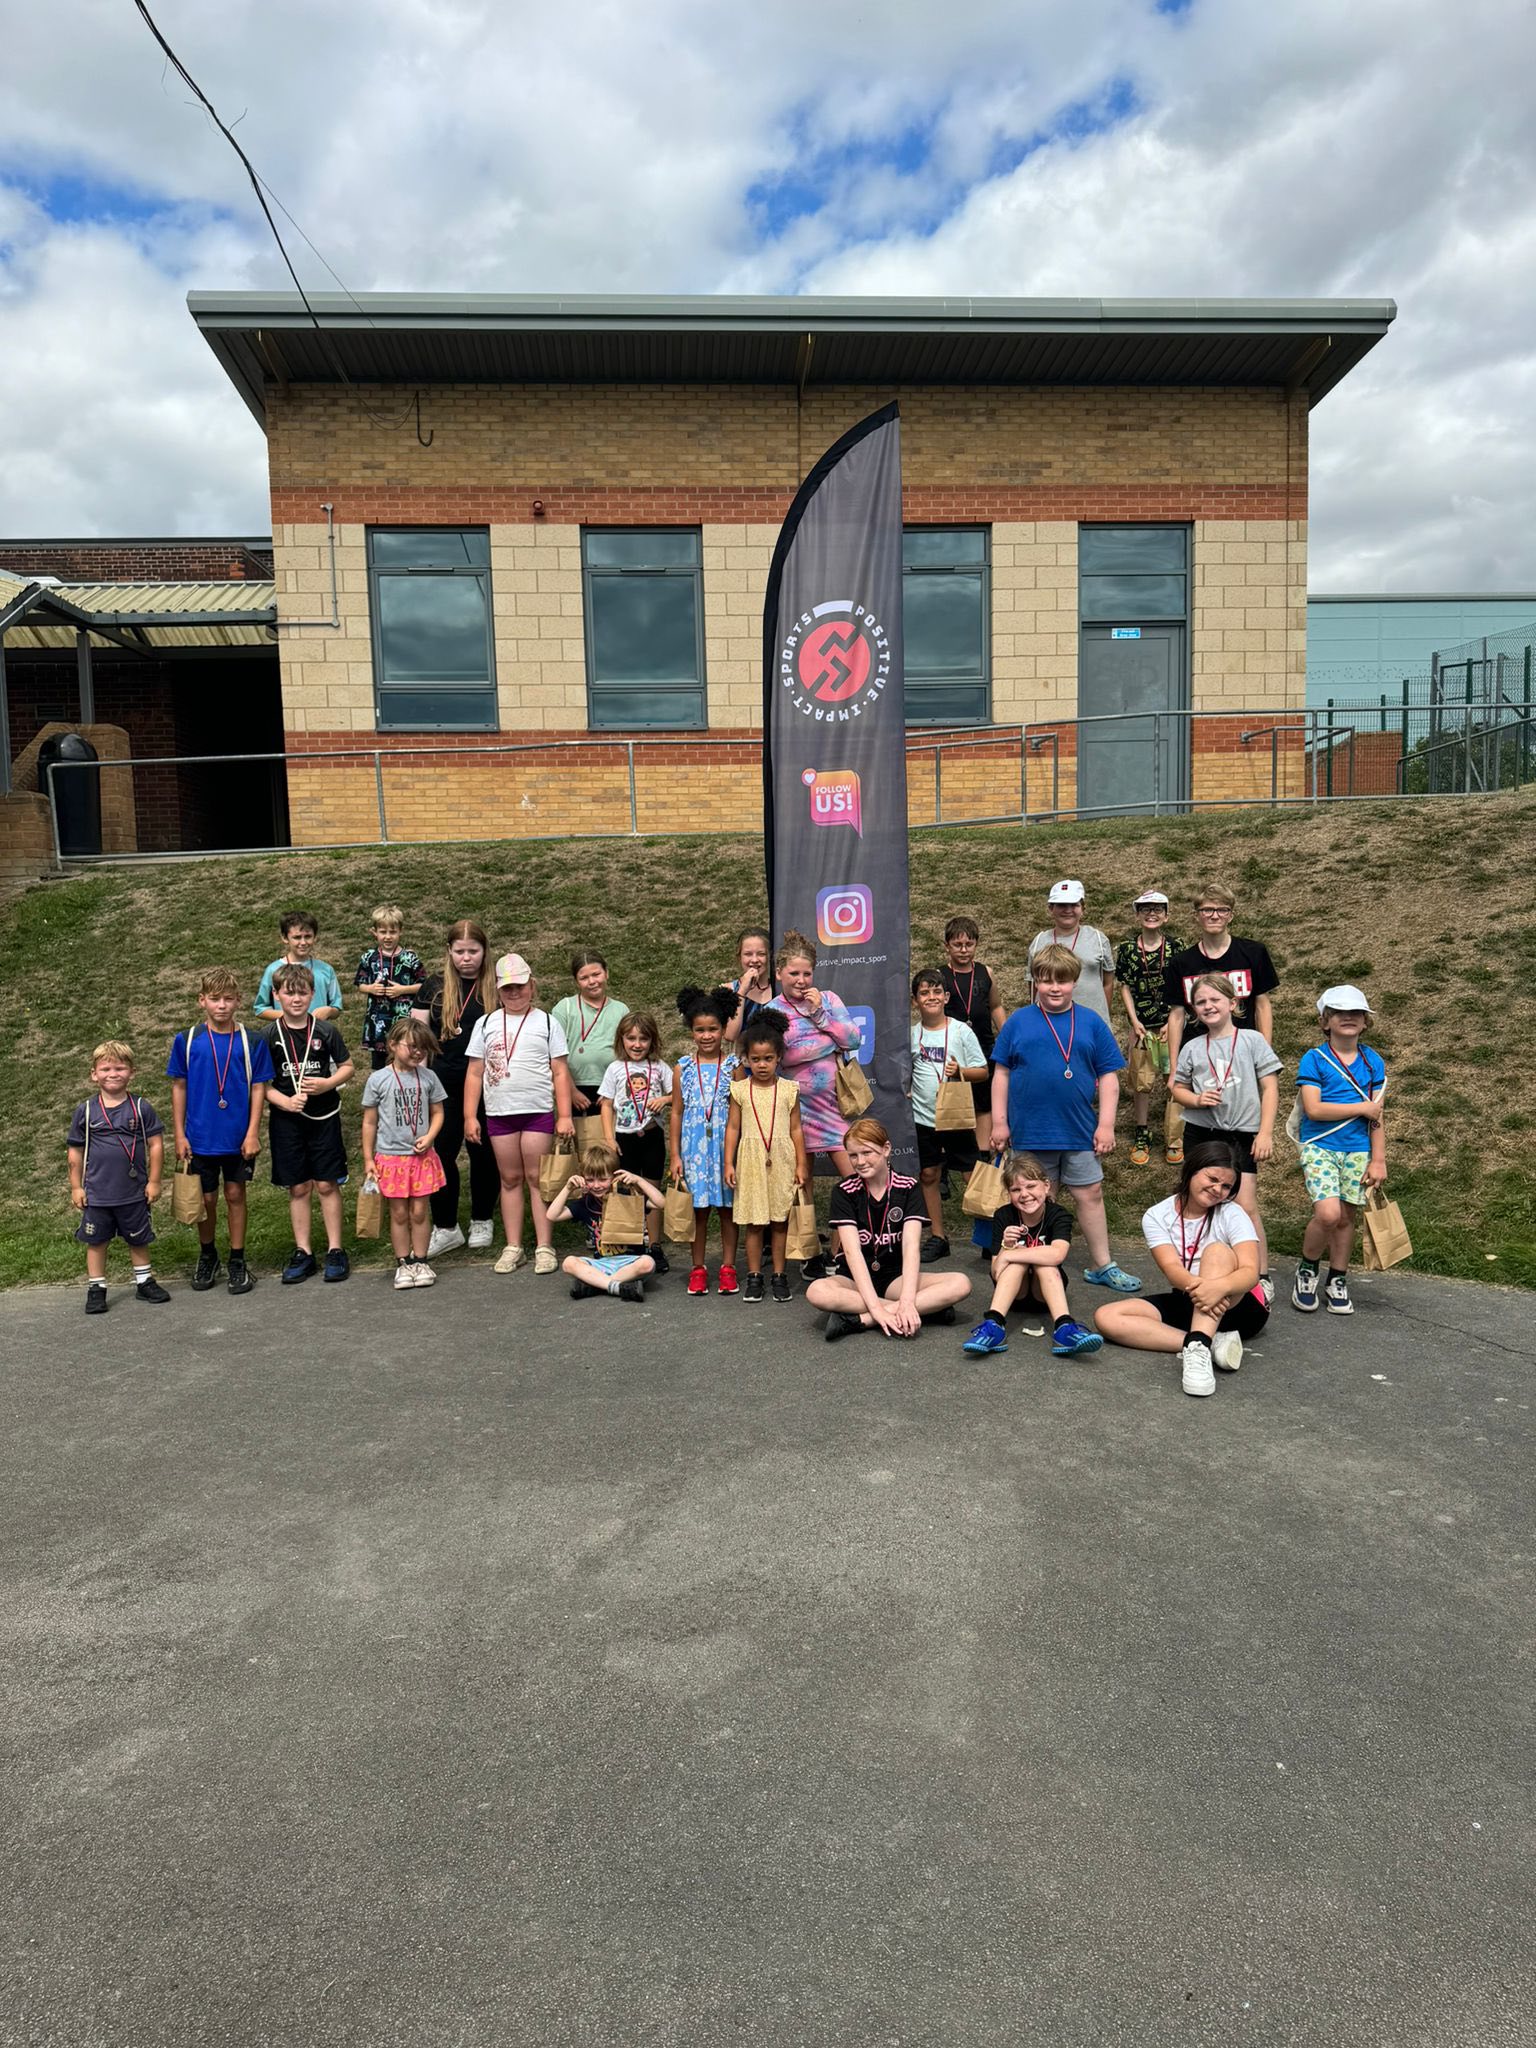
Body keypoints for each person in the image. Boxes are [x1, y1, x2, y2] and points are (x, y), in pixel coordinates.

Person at [990, 944, 1141, 1294]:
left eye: (1062, 981)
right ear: (1035, 983)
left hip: (1079, 1131)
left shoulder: (1092, 1023)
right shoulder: (1018, 1022)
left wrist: (1105, 1125)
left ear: (1074, 981)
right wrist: (999, 1123)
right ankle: (1034, 1266)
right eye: (1045, 981)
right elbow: (1001, 1073)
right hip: (1031, 1131)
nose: (1054, 988)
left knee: (1090, 1193)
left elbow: (1108, 1077)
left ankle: (1102, 1264)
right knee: (1036, 1199)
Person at [1093, 1140, 1267, 1398]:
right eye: (1212, 1178)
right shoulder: (1156, 1215)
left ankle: (1197, 1357)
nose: (1217, 1189)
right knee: (1107, 1317)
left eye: (1226, 1186)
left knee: (1217, 1251)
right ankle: (1206, 1342)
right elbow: (1172, 1269)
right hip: (1191, 1296)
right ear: (1192, 1169)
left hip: (1240, 1304)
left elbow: (1251, 1272)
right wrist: (1202, 1290)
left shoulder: (1232, 1212)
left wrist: (1216, 1287)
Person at [805, 1118, 972, 1341]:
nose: (860, 1161)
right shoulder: (843, 1191)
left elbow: (911, 1248)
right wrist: (878, 1307)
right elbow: (852, 1253)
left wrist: (904, 1300)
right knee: (816, 1292)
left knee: (960, 1283)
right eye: (853, 1155)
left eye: (867, 1152)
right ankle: (924, 1309)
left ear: (886, 1149)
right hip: (854, 1278)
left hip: (895, 1278)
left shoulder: (908, 1187)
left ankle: (858, 1320)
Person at [1171, 973, 1282, 1305]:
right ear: (1194, 1009)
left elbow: (1271, 1088)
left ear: (1233, 1004)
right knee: (1201, 1202)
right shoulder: (1192, 1046)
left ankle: (1259, 1275)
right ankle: (1198, 1270)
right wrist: (1196, 1099)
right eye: (1201, 1002)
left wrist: (1264, 1133)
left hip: (1242, 1134)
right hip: (1202, 1134)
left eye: (1215, 1000)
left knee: (1244, 1206)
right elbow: (1177, 1089)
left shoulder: (1252, 1040)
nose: (1208, 1006)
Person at [463, 952, 575, 1276]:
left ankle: (544, 1245)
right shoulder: (485, 1024)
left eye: (521, 987)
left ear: (532, 986)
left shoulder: (547, 1022)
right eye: (507, 989)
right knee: (509, 1179)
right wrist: (471, 1116)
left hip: (537, 1111)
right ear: (497, 991)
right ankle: (514, 1246)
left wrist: (564, 1115)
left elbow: (559, 1072)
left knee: (537, 1179)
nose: (514, 994)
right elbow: (474, 1072)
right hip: (499, 1113)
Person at [167, 967, 274, 1296]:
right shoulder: (187, 1041)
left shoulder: (251, 1040)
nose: (222, 1006)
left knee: (235, 1195)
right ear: (202, 1001)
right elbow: (179, 1086)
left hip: (238, 1137)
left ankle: (238, 1259)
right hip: (200, 1137)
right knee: (207, 1199)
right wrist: (180, 1135)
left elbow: (259, 1087)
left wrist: (253, 1131)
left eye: (229, 999)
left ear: (239, 1001)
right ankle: (208, 1254)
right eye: (215, 999)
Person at [1291, 984, 1388, 1318]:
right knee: (1328, 1214)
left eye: (1356, 1013)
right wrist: (1360, 1108)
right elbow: (1314, 1109)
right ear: (1325, 1022)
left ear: (1365, 1022)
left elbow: (1377, 1117)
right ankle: (1307, 1269)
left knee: (1347, 1217)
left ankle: (1338, 1278)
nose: (1348, 1018)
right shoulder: (1314, 1059)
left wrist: (1378, 1159)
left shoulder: (1373, 1062)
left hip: (1358, 1149)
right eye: (1339, 1013)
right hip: (1320, 1146)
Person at [261, 963, 354, 1285]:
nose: (296, 999)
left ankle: (335, 1250)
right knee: (298, 1186)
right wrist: (283, 1101)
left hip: (324, 1118)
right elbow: (260, 1084)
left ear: (312, 994)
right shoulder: (269, 1036)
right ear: (276, 996)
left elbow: (347, 1067)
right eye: (289, 993)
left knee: (327, 1184)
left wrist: (328, 1084)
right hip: (287, 1122)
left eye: (302, 993)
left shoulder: (326, 1031)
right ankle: (303, 1252)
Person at [414, 919, 499, 1260]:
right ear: (449, 952)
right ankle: (446, 1226)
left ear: (484, 952)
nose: (467, 959)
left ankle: (482, 1219)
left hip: (486, 1083)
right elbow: (418, 1037)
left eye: (473, 951)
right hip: (442, 1083)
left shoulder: (494, 986)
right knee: (441, 1153)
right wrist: (419, 1081)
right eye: (460, 952)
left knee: (484, 1153)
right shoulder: (433, 986)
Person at [961, 1152, 1100, 1357]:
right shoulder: (1004, 1215)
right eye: (1016, 1189)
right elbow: (996, 1271)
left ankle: (1064, 1327)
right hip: (1014, 1293)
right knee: (1018, 1261)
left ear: (1046, 1185)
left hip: (1045, 1292)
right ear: (1009, 1193)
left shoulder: (1058, 1215)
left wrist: (1010, 1254)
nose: (1024, 1194)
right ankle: (994, 1325)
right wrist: (1006, 1249)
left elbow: (1057, 1254)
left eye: (1030, 1186)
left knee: (1044, 1263)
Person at [68, 1040, 169, 1314]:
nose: (113, 1074)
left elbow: (156, 1145)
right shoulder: (86, 1111)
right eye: (106, 1068)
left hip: (134, 1191)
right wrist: (76, 1186)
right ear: (94, 1074)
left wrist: (155, 1181)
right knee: (96, 1240)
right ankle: (96, 1288)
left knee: (139, 1238)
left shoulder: (140, 1107)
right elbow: (75, 1152)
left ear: (132, 1073)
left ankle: (144, 1281)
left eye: (120, 1068)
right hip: (97, 1193)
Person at [723, 1011, 808, 1303]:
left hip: (782, 1160)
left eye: (768, 1059)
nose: (762, 1065)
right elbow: (733, 1128)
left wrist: (801, 1163)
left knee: (780, 1221)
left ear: (778, 1058)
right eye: (756, 1059)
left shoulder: (789, 1089)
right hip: (751, 1160)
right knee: (755, 1222)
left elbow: (796, 1129)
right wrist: (728, 1162)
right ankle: (755, 1276)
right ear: (746, 1059)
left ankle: (780, 1275)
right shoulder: (739, 1090)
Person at [766, 929, 864, 1177]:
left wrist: (820, 1014)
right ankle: (805, 1218)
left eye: (807, 973)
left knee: (855, 1177)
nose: (801, 980)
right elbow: (784, 1056)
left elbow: (853, 1039)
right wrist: (831, 1043)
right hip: (794, 1109)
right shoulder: (770, 1011)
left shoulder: (828, 1000)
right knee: (800, 1183)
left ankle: (858, 1217)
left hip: (833, 1106)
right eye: (794, 973)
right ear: (779, 974)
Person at [361, 1017, 447, 1291]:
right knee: (398, 1214)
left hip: (421, 1158)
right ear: (392, 1045)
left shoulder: (429, 1077)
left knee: (420, 1212)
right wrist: (368, 1159)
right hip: (389, 1159)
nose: (418, 1052)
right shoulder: (378, 1079)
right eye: (412, 1046)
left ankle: (421, 1260)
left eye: (423, 1047)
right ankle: (403, 1263)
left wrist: (430, 1136)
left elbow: (438, 1113)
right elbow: (369, 1122)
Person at [1164, 882, 1278, 1079]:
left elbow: (1262, 1005)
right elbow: (1176, 1015)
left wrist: (1264, 1053)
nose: (1215, 916)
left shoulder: (1254, 953)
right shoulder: (1181, 963)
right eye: (1207, 910)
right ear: (1196, 915)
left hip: (1243, 1050)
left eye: (1222, 910)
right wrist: (1175, 1068)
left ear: (1231, 915)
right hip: (1199, 1054)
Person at [909, 968, 985, 1263]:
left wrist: (961, 1071)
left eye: (936, 992)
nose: (931, 997)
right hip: (923, 1117)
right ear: (915, 1000)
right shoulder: (912, 1035)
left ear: (946, 997)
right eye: (924, 993)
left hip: (955, 1115)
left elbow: (983, 1071)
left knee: (971, 1174)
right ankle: (938, 1236)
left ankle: (992, 1233)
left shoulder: (961, 1031)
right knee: (928, 1173)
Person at [670, 985, 741, 1296]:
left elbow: (740, 1113)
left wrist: (736, 1155)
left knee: (727, 1210)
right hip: (693, 1151)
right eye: (700, 1030)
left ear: (724, 1028)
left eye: (713, 1029)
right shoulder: (682, 1069)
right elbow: (676, 1113)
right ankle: (697, 1268)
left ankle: (728, 1266)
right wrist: (674, 1155)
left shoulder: (734, 1067)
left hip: (726, 1149)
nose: (707, 1035)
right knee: (697, 1211)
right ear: (691, 1031)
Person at [598, 1012, 673, 1270]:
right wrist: (609, 1138)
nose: (637, 1044)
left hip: (652, 1137)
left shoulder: (660, 1067)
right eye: (631, 1038)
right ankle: (629, 1245)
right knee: (625, 1192)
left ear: (653, 1041)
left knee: (651, 1192)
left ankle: (654, 1246)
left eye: (644, 1038)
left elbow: (678, 1094)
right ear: (622, 1040)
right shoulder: (616, 1068)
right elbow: (606, 1104)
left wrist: (664, 1099)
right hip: (624, 1139)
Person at [1115, 889, 1184, 1167]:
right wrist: (1134, 1021)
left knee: (1174, 1079)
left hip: (1172, 1025)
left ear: (1166, 916)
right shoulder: (1129, 949)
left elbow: (1183, 987)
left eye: (1157, 909)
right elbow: (1125, 987)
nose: (1152, 914)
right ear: (1137, 915)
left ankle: (1174, 1138)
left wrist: (1171, 1022)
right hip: (1142, 1027)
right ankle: (1142, 1133)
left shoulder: (1177, 947)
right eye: (1146, 909)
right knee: (1141, 1082)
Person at [545, 1144, 660, 1303]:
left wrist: (638, 1180)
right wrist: (567, 1188)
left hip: (631, 1263)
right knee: (569, 1263)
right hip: (601, 1264)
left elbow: (661, 1203)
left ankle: (596, 1285)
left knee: (647, 1263)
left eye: (603, 1179)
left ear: (614, 1177)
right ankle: (617, 1287)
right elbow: (552, 1215)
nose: (597, 1185)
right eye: (590, 1180)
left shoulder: (628, 1197)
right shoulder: (586, 1203)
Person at [940, 915, 1006, 1152]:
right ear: (947, 946)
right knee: (950, 1105)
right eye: (958, 945)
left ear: (976, 944)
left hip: (984, 1051)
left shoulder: (985, 972)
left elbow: (996, 1006)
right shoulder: (939, 976)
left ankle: (982, 1157)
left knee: (984, 1105)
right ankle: (947, 1167)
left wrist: (1006, 1037)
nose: (964, 950)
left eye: (969, 944)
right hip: (952, 1055)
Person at [1028, 880, 1116, 1026]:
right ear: (1051, 908)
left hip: (1091, 1022)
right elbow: (1033, 985)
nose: (1068, 910)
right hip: (1050, 1023)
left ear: (1083, 908)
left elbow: (1108, 982)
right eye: (1061, 905)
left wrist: (1102, 1014)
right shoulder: (1039, 942)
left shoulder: (1098, 939)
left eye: (1074, 904)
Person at [551, 951, 629, 1114]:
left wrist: (614, 1089)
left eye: (596, 974)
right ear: (576, 981)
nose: (592, 981)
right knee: (583, 1137)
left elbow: (628, 1054)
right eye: (584, 978)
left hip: (611, 1087)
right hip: (574, 1089)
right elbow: (553, 1054)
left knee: (610, 1138)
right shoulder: (564, 1008)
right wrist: (571, 1091)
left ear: (606, 973)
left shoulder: (621, 1010)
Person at [354, 905, 424, 1070]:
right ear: (374, 932)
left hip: (402, 1019)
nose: (387, 937)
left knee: (404, 1059)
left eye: (392, 932)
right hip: (377, 1019)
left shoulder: (410, 958)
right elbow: (360, 984)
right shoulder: (368, 958)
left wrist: (402, 990)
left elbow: (423, 985)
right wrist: (370, 988)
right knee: (379, 1065)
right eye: (383, 932)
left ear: (401, 931)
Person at [253, 910, 343, 1022]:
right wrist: (289, 1016)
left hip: (318, 1034)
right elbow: (260, 1009)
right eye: (297, 937)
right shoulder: (273, 970)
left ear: (315, 937)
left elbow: (337, 1007)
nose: (303, 942)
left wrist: (329, 1011)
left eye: (308, 936)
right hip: (285, 1034)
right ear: (285, 938)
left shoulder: (326, 970)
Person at [722, 928, 774, 1045]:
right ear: (739, 957)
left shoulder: (780, 989)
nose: (754, 960)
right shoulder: (728, 990)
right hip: (743, 1061)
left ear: (770, 956)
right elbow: (730, 1035)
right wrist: (741, 992)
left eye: (761, 954)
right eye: (748, 954)